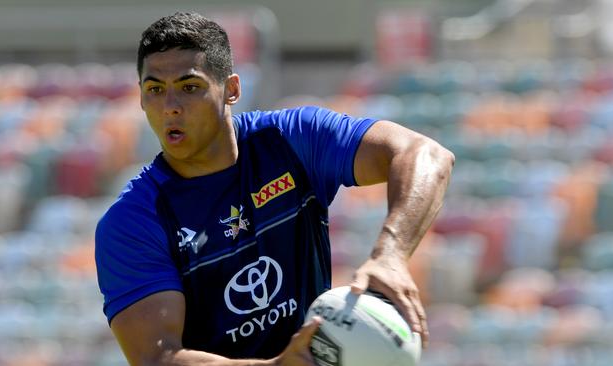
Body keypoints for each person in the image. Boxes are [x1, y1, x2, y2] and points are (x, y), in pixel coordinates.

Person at [95, 11, 454, 366]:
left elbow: (426, 155)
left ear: (232, 90)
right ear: (141, 99)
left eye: (190, 87)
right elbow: (157, 358)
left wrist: (390, 256)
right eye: (155, 90)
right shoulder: (132, 222)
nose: (170, 107)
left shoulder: (290, 140)